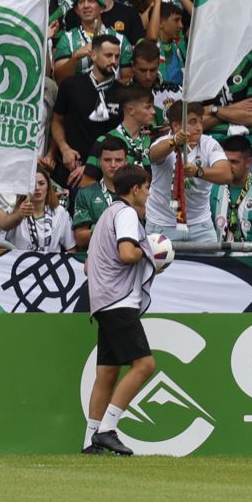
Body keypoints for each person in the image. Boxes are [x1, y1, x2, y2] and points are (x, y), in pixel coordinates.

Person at [83, 162, 167, 455]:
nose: (148, 193)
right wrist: (152, 256)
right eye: (146, 188)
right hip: (119, 301)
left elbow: (86, 267)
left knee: (107, 373)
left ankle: (89, 442)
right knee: (144, 365)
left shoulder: (107, 214)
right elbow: (127, 253)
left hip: (102, 301)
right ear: (135, 189)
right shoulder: (128, 213)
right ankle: (107, 429)